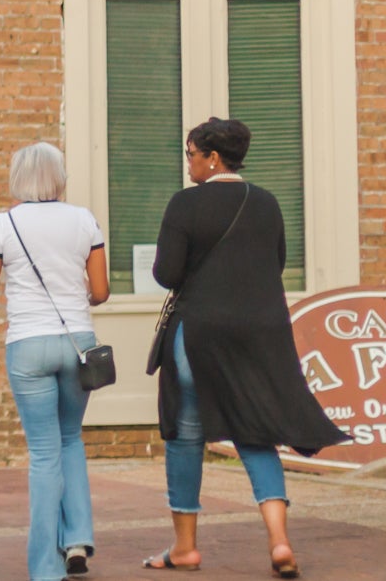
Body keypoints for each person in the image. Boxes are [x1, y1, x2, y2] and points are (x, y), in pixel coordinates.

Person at [144, 118, 345, 576]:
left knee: (185, 435)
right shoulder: (267, 202)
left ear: (213, 158)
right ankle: (279, 543)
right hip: (259, 335)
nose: (188, 162)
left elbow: (167, 274)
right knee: (255, 433)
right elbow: (275, 264)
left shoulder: (185, 204)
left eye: (191, 153)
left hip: (199, 334)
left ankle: (185, 549)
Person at [0, 142, 109, 581]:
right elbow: (101, 292)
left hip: (28, 344)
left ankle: (47, 568)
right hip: (77, 345)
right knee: (71, 440)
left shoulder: (3, 225)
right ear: (59, 176)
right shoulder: (83, 219)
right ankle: (78, 541)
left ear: (18, 178)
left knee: (44, 453)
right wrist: (75, 300)